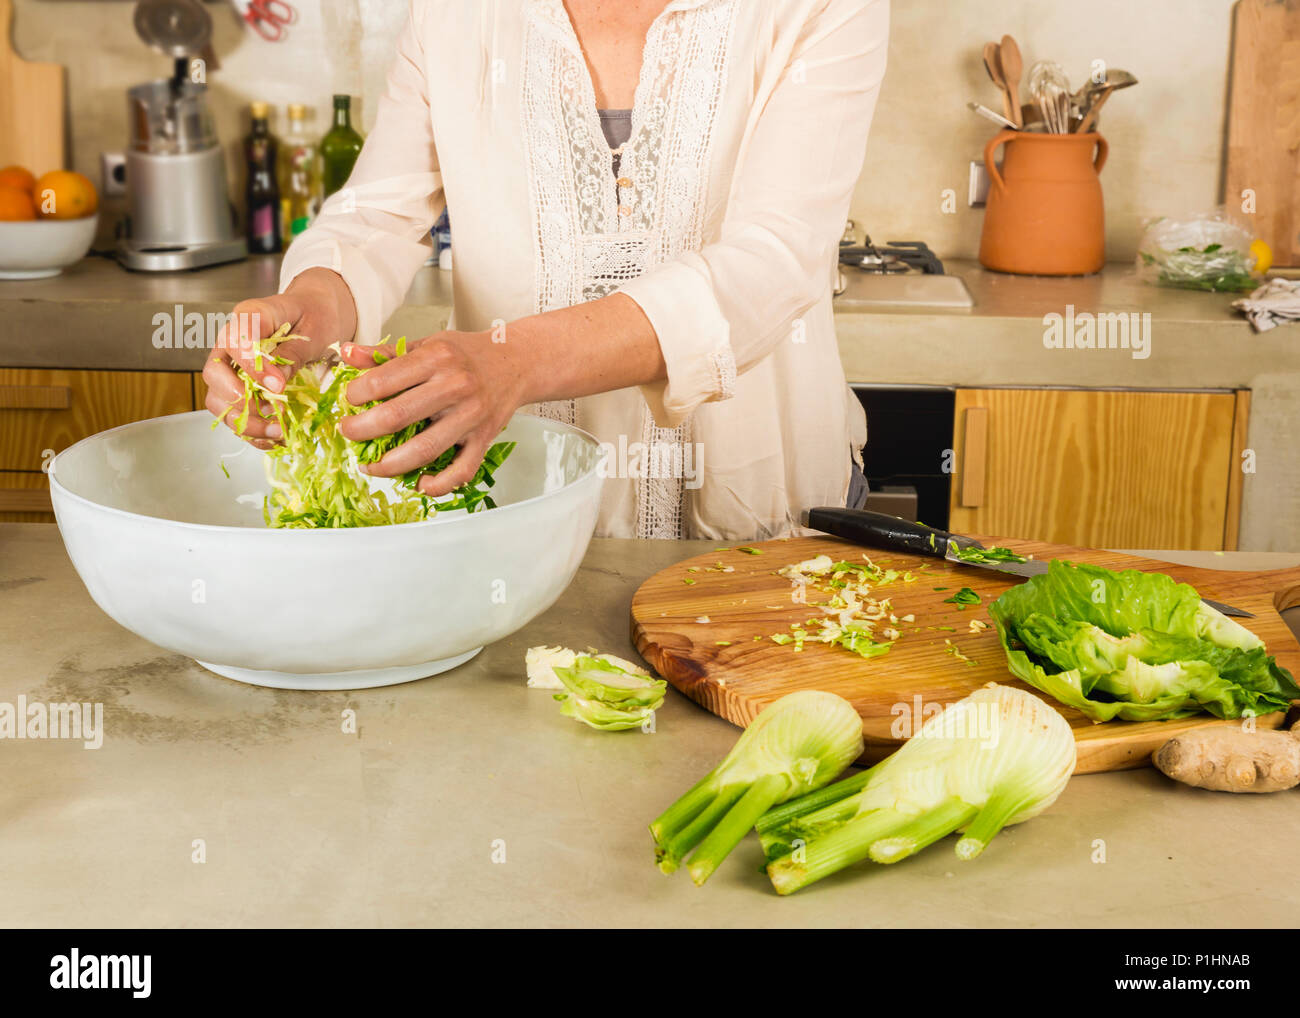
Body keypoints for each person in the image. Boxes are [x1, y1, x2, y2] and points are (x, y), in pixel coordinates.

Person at [205, 0, 889, 539]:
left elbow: (773, 260)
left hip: (759, 520)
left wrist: (513, 361)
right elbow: (374, 220)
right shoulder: (454, 12)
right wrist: (310, 307)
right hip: (519, 525)